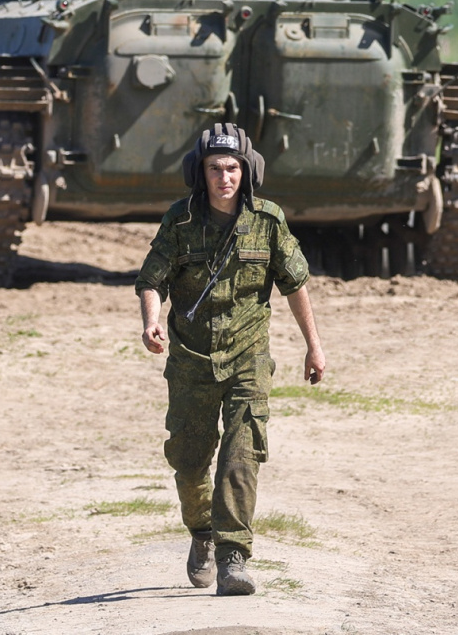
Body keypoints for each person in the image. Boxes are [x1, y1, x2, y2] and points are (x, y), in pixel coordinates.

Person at [135, 122, 326, 596]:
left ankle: (233, 556)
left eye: (233, 168)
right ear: (200, 173)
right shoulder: (180, 221)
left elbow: (295, 284)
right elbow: (152, 279)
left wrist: (314, 345)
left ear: (248, 172)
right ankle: (202, 531)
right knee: (189, 462)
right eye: (215, 168)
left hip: (248, 357)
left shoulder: (268, 221)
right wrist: (151, 321)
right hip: (191, 360)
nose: (225, 177)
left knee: (242, 457)